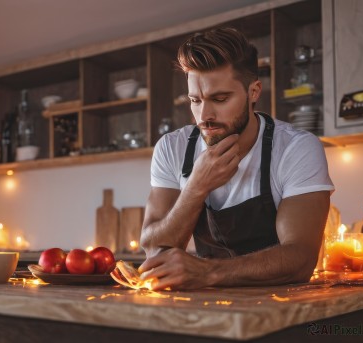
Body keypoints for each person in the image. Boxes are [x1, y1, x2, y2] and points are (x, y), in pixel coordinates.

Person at [138, 28, 334, 291]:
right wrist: (196, 187)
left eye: (219, 99)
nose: (204, 115)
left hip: (283, 307)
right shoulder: (172, 148)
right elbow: (153, 249)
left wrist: (208, 272)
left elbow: (301, 259)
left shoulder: (296, 148)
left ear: (253, 92)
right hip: (205, 305)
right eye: (195, 100)